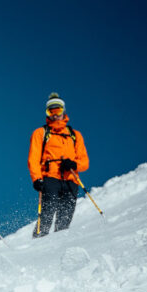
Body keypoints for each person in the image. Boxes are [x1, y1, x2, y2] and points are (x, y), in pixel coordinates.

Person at [28, 92, 90, 237]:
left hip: (71, 180)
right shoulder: (41, 133)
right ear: (47, 113)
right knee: (47, 214)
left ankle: (57, 247)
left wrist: (73, 164)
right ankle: (37, 243)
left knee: (65, 219)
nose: (55, 115)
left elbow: (84, 162)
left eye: (58, 110)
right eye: (51, 111)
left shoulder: (75, 135)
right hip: (50, 178)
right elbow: (33, 158)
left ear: (64, 111)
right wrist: (37, 178)